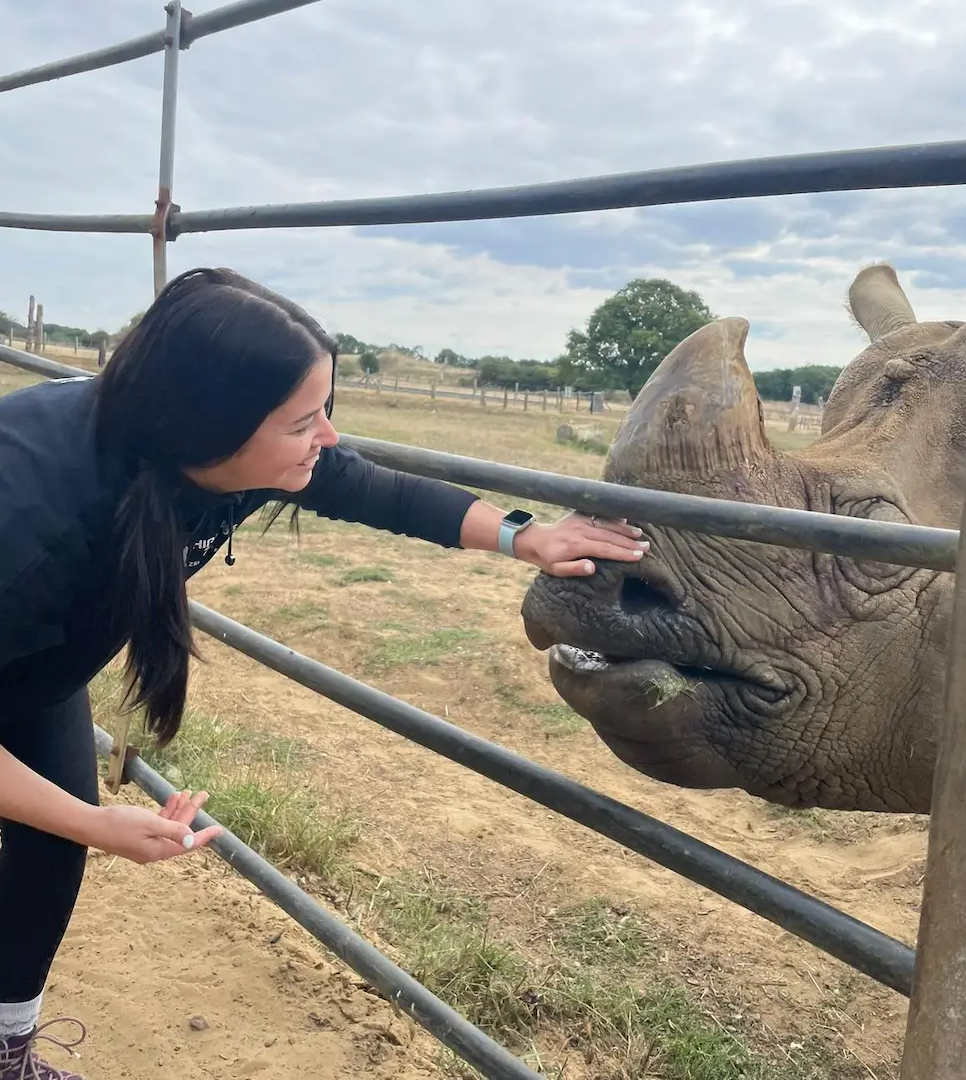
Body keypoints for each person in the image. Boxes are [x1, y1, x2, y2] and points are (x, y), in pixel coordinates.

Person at [0, 266, 649, 1079]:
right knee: (69, 823)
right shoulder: (37, 523)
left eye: (327, 410)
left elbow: (370, 485)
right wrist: (98, 826)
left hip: (32, 672)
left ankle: (6, 1047)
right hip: (17, 628)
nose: (329, 437)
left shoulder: (203, 452)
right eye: (305, 420)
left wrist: (528, 535)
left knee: (50, 839)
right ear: (209, 428)